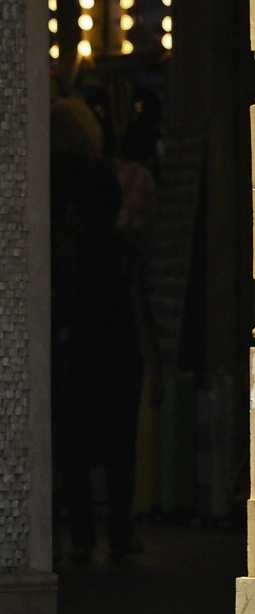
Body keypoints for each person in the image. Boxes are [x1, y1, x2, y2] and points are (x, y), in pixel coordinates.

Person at [49, 98, 152, 563]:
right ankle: (119, 530)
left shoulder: (65, 251)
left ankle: (83, 533)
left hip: (75, 344)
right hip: (117, 343)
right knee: (119, 445)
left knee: (71, 442)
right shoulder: (120, 251)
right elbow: (137, 302)